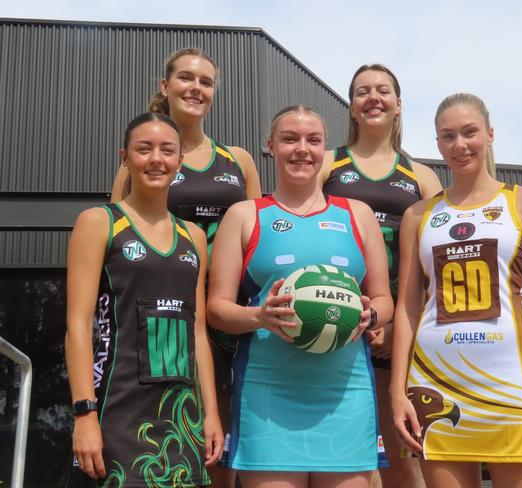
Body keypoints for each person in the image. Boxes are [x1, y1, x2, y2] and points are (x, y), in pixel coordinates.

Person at [207, 105, 394, 488]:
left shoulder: (357, 214)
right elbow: (216, 308)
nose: (301, 149)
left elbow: (383, 299)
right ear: (271, 145)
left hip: (347, 393)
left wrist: (369, 316)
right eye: (290, 139)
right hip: (268, 393)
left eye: (313, 140)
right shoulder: (245, 215)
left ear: (325, 151)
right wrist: (259, 317)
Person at [390, 93, 522, 488]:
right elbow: (408, 309)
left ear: (489, 134)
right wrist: (397, 391)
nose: (460, 145)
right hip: (435, 384)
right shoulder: (418, 215)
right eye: (447, 136)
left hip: (511, 384)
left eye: (469, 132)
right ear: (437, 144)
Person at [110, 48, 261, 487]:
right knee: (177, 433)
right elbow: (118, 241)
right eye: (186, 78)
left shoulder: (239, 159)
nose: (196, 88)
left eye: (206, 81)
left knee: (228, 439)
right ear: (166, 86)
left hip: (230, 314)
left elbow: (259, 236)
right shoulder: (145, 157)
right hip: (170, 317)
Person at [66, 112, 223, 487]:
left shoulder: (194, 238)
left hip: (180, 416)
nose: (156, 159)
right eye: (144, 149)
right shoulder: (99, 222)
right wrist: (84, 413)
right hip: (115, 410)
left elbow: (197, 332)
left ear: (179, 161)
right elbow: (77, 324)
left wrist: (211, 413)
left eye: (167, 150)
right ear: (125, 157)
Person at [320, 64, 441, 487]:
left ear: (398, 105)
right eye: (362, 92)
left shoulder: (422, 177)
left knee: (406, 459)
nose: (373, 98)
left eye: (383, 90)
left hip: (399, 335)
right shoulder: (326, 165)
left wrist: (398, 328)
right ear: (351, 107)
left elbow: (436, 268)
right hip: (336, 329)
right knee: (345, 461)